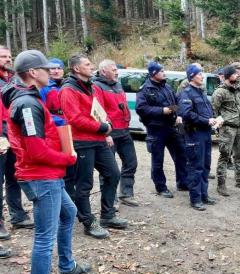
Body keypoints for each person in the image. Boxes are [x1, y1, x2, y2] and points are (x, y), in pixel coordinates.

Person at [3, 49, 90, 274]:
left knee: (69, 212)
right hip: (41, 177)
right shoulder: (27, 103)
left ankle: (67, 266)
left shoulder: (29, 98)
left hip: (47, 175)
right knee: (44, 239)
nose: (50, 72)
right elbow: (36, 151)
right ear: (32, 73)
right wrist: (67, 158)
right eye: (45, 68)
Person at [60, 54, 127, 239]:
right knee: (84, 184)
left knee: (113, 174)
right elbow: (74, 118)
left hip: (98, 140)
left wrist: (107, 127)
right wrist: (102, 127)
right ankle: (88, 221)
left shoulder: (91, 87)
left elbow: (99, 111)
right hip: (82, 143)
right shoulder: (68, 89)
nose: (92, 67)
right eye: (87, 64)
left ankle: (107, 214)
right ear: (76, 68)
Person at [135, 61, 188, 198]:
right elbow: (141, 109)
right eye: (161, 71)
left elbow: (175, 104)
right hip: (156, 129)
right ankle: (161, 187)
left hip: (172, 127)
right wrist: (161, 111)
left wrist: (176, 115)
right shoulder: (145, 89)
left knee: (182, 154)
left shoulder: (167, 87)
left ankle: (183, 182)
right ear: (154, 73)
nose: (164, 73)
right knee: (158, 159)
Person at [93, 59, 139, 206]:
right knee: (108, 169)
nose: (116, 72)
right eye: (113, 70)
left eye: (116, 69)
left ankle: (126, 194)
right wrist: (105, 134)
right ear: (103, 71)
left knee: (131, 163)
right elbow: (97, 111)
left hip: (124, 131)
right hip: (110, 132)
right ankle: (109, 200)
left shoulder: (118, 84)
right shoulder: (97, 86)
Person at [0, 45, 33, 241]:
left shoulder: (15, 80)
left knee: (15, 177)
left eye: (9, 57)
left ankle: (18, 215)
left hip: (15, 136)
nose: (8, 59)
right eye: (3, 57)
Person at [178, 64, 217, 210]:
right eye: (200, 74)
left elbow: (207, 111)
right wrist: (206, 120)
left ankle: (204, 195)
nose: (202, 76)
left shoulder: (201, 92)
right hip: (194, 134)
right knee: (196, 166)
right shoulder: (186, 93)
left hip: (206, 133)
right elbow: (187, 114)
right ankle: (195, 199)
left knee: (206, 165)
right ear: (192, 76)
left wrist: (214, 120)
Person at [213, 65, 240, 196]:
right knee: (224, 156)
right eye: (235, 73)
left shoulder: (238, 90)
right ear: (227, 76)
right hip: (227, 128)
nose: (238, 75)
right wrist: (219, 123)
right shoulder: (220, 92)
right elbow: (214, 110)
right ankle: (221, 184)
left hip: (239, 127)